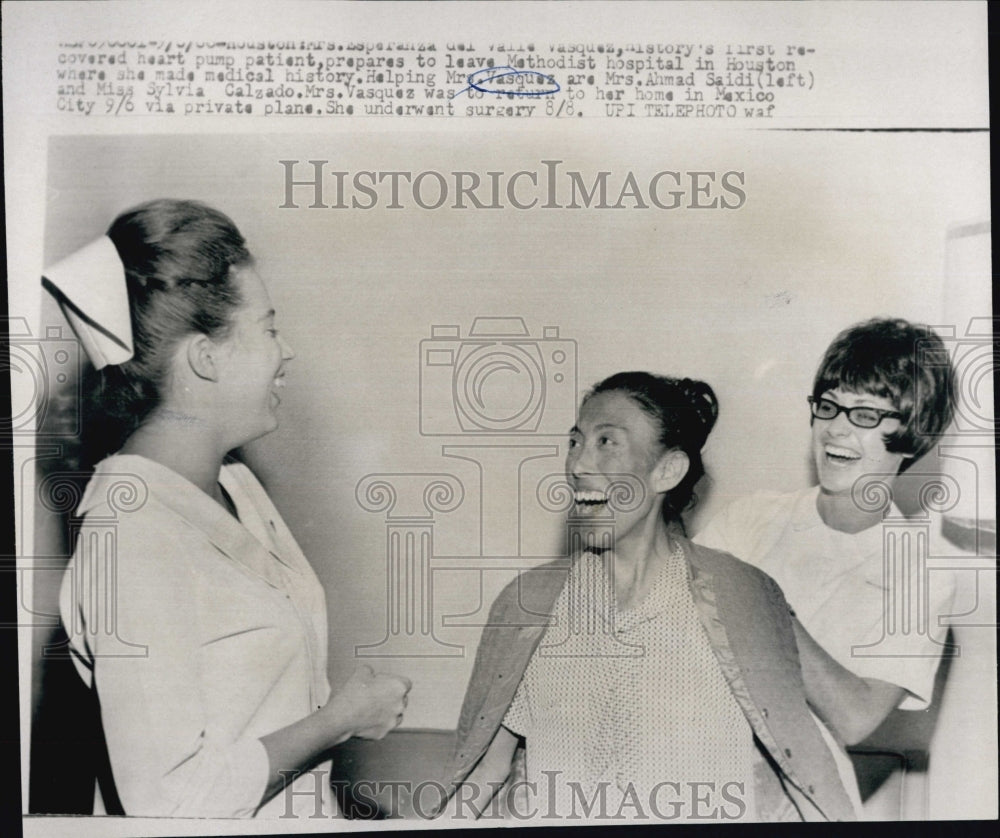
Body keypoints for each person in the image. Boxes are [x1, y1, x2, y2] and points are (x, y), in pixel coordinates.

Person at [45, 199, 411, 818]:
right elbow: (168, 801)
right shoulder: (130, 533)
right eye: (268, 328)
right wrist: (340, 720)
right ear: (205, 358)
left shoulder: (236, 484)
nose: (285, 351)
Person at [439, 372, 856, 823]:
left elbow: (798, 771)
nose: (577, 464)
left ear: (667, 470)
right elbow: (484, 771)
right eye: (575, 442)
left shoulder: (741, 597)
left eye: (606, 442)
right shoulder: (530, 605)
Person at [695, 317, 958, 809]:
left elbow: (855, 716)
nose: (835, 427)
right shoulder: (751, 517)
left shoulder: (924, 571)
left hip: (800, 793)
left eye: (864, 414)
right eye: (829, 405)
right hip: (691, 756)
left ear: (912, 431)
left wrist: (761, 601)